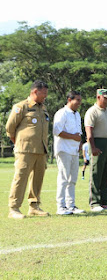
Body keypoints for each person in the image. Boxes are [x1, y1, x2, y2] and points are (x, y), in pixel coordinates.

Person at [6, 81, 50, 219]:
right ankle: (14, 208)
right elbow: (10, 128)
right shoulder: (21, 107)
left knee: (37, 179)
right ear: (35, 92)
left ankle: (34, 206)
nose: (45, 97)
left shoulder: (43, 108)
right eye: (44, 94)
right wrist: (19, 143)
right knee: (20, 178)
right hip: (25, 150)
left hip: (41, 150)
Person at [84, 88, 107, 212]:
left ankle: (105, 201)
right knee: (96, 173)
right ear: (98, 97)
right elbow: (89, 131)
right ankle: (95, 202)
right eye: (105, 98)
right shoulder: (92, 111)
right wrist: (92, 146)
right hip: (97, 142)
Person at [53, 91, 86, 215]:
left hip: (73, 150)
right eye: (77, 100)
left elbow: (78, 133)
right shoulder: (62, 113)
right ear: (69, 100)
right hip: (64, 149)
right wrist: (73, 137)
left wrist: (79, 144)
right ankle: (60, 206)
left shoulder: (77, 114)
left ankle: (70, 205)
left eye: (80, 100)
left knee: (72, 179)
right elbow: (57, 131)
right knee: (63, 178)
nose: (79, 103)